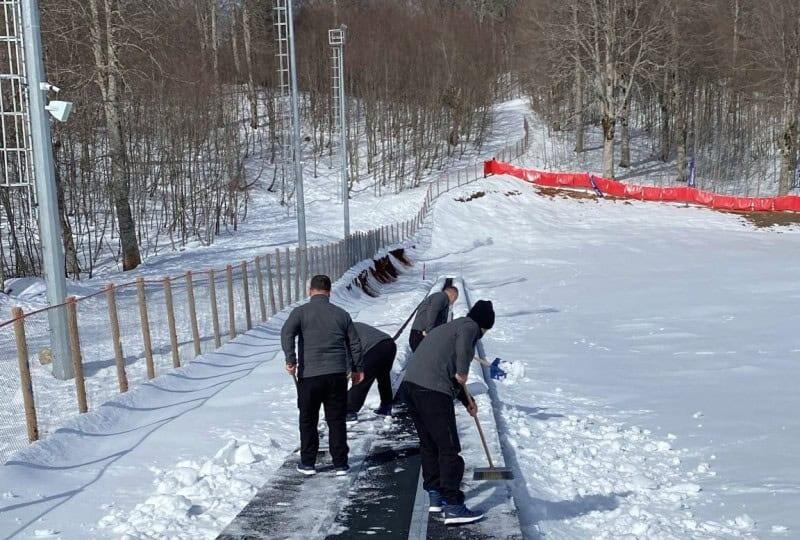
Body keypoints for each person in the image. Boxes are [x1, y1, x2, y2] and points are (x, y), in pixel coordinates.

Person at [399, 299, 495, 526]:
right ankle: (453, 506)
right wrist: (463, 370)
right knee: (448, 448)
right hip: (432, 391)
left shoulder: (448, 329)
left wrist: (467, 401)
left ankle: (435, 494)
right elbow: (460, 365)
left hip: (411, 388)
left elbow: (449, 373)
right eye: (485, 331)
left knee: (429, 444)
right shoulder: (469, 327)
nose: (482, 335)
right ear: (483, 325)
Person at [281, 275, 364, 477]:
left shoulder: (300, 312)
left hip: (310, 375)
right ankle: (340, 464)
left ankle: (308, 463)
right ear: (329, 292)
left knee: (308, 419)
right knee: (336, 419)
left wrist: (291, 359)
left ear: (310, 291)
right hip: (337, 375)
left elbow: (286, 333)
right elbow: (354, 343)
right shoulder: (341, 314)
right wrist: (357, 368)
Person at [345, 322, 397, 422]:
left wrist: (349, 372)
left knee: (361, 380)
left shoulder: (340, 333)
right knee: (383, 378)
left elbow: (348, 355)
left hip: (374, 348)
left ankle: (349, 411)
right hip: (389, 344)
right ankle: (386, 407)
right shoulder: (353, 325)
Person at [409, 286, 458, 352]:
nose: (453, 302)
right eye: (455, 298)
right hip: (421, 334)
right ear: (453, 295)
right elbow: (433, 311)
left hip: (420, 334)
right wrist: (429, 331)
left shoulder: (441, 299)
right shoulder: (441, 296)